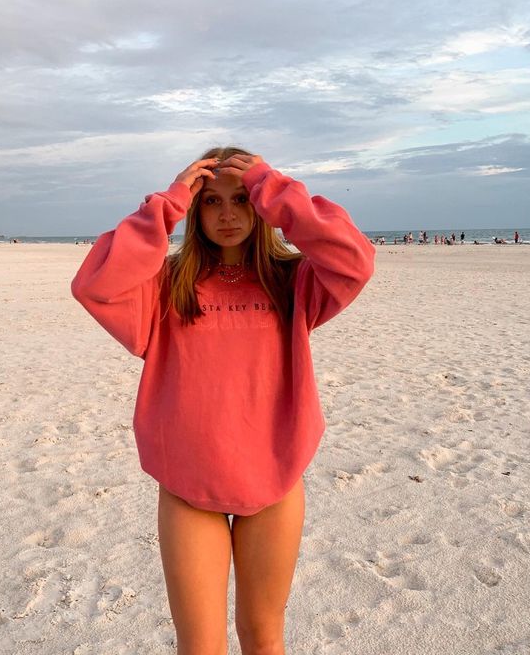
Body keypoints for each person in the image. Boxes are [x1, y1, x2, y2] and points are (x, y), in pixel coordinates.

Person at [71, 147, 375, 654]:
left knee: (263, 638)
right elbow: (96, 284)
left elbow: (354, 259)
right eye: (212, 201)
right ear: (196, 210)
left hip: (273, 484)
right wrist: (168, 204)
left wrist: (270, 183)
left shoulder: (293, 283)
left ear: (261, 206)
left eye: (241, 200)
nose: (228, 214)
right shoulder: (166, 287)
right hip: (190, 489)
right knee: (201, 648)